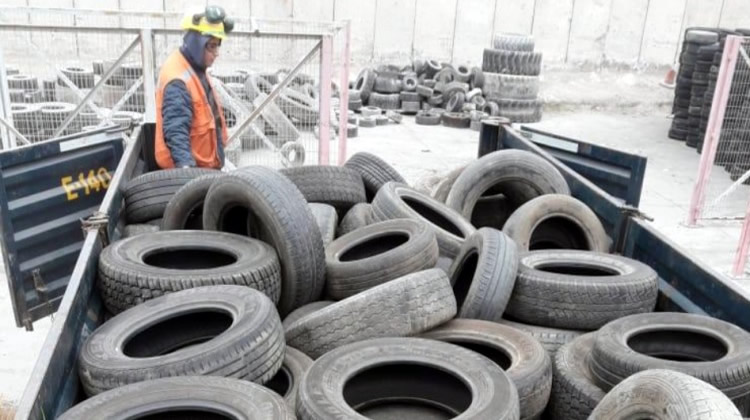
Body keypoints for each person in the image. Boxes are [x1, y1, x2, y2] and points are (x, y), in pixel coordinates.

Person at [154, 6, 234, 169]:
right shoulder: (178, 80)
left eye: (218, 45)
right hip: (195, 172)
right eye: (211, 46)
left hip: (207, 166)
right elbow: (176, 134)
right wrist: (187, 173)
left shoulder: (195, 68)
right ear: (197, 44)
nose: (216, 53)